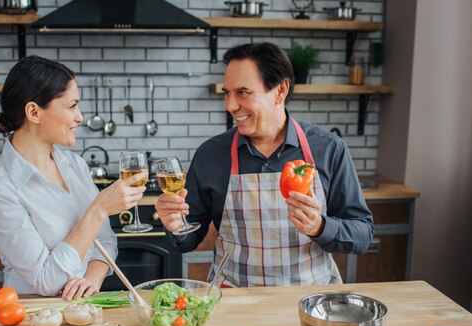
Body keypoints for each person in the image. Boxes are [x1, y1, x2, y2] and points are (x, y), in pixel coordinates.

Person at [155, 42, 373, 287]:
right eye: (227, 93)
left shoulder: (329, 149)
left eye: (243, 92)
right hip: (235, 298)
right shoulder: (211, 155)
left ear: (280, 90)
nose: (230, 105)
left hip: (310, 301)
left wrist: (320, 226)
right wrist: (175, 226)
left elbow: (362, 235)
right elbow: (189, 240)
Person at [0, 56, 147, 300]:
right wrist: (98, 208)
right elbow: (45, 281)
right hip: (31, 316)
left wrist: (91, 280)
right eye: (72, 106)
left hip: (84, 307)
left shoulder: (74, 165)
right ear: (34, 112)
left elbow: (104, 239)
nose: (79, 117)